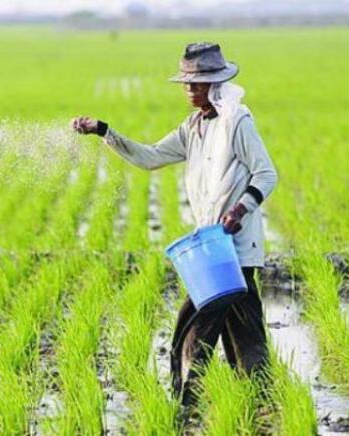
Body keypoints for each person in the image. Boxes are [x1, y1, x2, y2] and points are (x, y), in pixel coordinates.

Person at [71, 42, 278, 420]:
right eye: (186, 84)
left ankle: (190, 405)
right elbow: (150, 157)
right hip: (213, 247)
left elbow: (266, 173)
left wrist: (240, 208)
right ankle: (254, 400)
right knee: (238, 328)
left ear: (215, 84)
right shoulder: (193, 126)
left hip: (237, 246)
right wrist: (105, 131)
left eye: (196, 84)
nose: (189, 90)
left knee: (199, 324)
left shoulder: (238, 121)